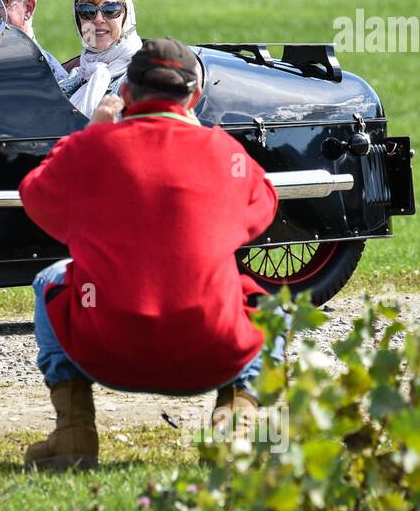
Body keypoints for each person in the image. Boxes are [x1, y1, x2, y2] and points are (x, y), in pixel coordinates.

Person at [18, 38, 281, 470]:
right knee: (272, 308)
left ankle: (74, 432)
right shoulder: (223, 152)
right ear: (194, 97)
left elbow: (36, 196)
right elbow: (263, 205)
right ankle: (236, 427)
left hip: (105, 350)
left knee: (49, 280)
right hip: (212, 352)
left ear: (125, 94)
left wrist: (96, 132)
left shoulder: (92, 148)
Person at [59, 0, 142, 118]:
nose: (98, 19)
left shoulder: (142, 78)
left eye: (110, 10)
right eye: (87, 11)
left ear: (126, 16)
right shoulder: (72, 75)